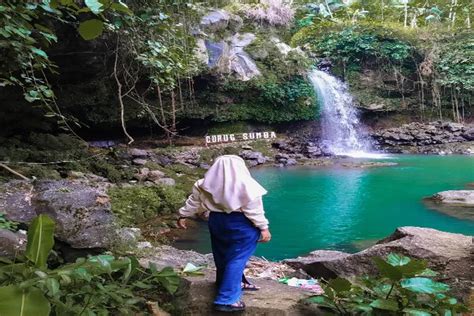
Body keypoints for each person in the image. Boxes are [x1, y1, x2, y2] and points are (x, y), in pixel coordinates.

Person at [177, 155, 271, 312]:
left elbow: (193, 202)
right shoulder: (248, 185)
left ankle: (232, 282)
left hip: (217, 221)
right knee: (238, 258)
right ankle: (227, 299)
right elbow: (254, 211)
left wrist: (182, 215)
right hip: (241, 223)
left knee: (223, 255)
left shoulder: (203, 184)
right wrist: (264, 228)